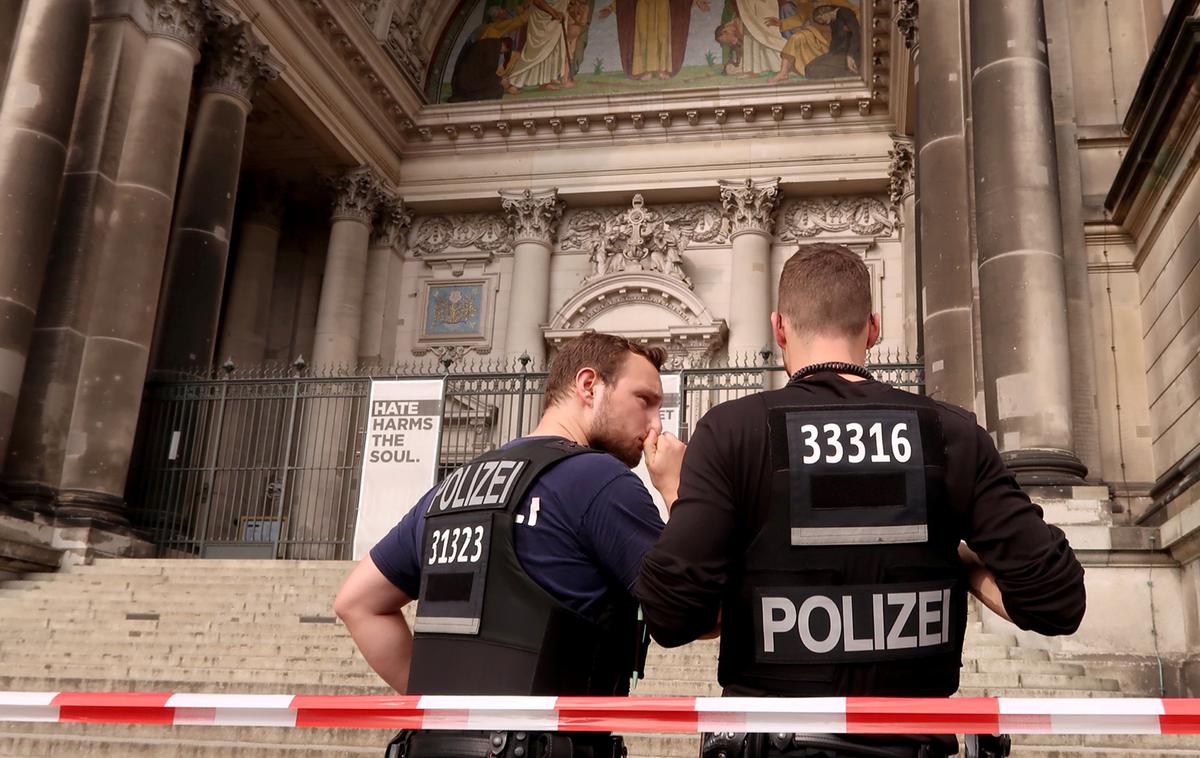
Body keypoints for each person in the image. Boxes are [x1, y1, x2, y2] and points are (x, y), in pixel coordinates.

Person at [634, 243, 1087, 758]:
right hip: (910, 745)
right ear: (873, 329)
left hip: (771, 743)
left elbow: (672, 616)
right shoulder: (949, 433)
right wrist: (955, 557)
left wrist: (674, 491)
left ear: (778, 328)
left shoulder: (732, 432)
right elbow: (1057, 601)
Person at [334, 332, 686, 758]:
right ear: (589, 385)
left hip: (432, 746)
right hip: (547, 746)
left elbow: (356, 601)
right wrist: (678, 491)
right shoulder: (601, 480)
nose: (656, 424)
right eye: (645, 400)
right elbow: (688, 610)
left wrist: (447, 710)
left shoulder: (454, 486)